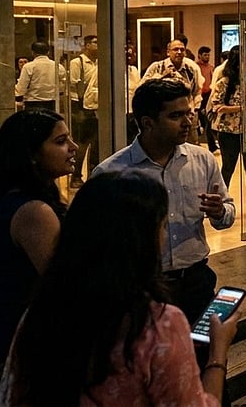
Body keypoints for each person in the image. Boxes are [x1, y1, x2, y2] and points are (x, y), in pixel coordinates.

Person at [0, 171, 239, 406]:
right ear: (141, 241)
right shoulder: (157, 325)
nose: (164, 237)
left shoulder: (39, 315)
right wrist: (217, 353)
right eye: (163, 226)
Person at [94, 79, 235, 325]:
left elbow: (227, 215)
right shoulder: (112, 172)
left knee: (202, 344)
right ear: (148, 123)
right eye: (175, 116)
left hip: (195, 280)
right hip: (143, 287)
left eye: (189, 113)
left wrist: (219, 210)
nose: (188, 122)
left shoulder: (202, 160)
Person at [0, 110, 72, 403]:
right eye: (61, 141)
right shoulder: (33, 211)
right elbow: (62, 283)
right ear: (32, 155)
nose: (73, 148)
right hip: (24, 351)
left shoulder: (14, 199)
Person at [207, 48, 246, 219]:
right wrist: (242, 108)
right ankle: (219, 204)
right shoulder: (224, 83)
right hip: (230, 131)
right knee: (228, 167)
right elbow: (217, 107)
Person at [141, 37, 204, 145]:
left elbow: (196, 92)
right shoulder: (157, 67)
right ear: (168, 52)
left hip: (188, 114)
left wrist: (194, 110)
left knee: (190, 146)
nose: (179, 52)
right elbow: (142, 88)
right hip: (163, 114)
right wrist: (161, 76)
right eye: (175, 49)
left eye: (182, 49)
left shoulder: (191, 69)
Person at [68, 35, 100, 187]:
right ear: (87, 45)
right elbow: (73, 84)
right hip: (80, 105)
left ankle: (93, 174)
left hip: (95, 105)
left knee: (96, 141)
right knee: (82, 142)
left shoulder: (99, 62)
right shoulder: (77, 62)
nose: (98, 45)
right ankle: (75, 175)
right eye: (95, 42)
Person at [14, 41, 63, 111]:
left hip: (33, 103)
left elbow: (21, 88)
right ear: (48, 52)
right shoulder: (58, 66)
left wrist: (17, 95)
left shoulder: (28, 67)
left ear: (33, 52)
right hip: (52, 102)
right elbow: (62, 85)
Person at [196, 45, 218, 152]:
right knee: (199, 121)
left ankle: (211, 145)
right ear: (199, 55)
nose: (207, 57)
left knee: (208, 121)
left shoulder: (211, 67)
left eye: (208, 55)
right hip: (199, 95)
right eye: (205, 55)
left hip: (208, 96)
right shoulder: (196, 67)